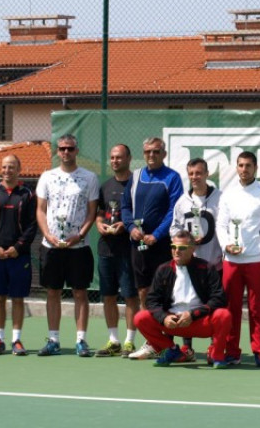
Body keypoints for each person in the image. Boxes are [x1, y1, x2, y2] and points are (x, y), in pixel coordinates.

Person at [35, 134, 99, 357]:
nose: (66, 152)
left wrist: (79, 236)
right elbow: (41, 210)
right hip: (51, 247)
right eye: (62, 148)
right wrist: (48, 235)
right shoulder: (46, 177)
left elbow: (92, 213)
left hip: (78, 248)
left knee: (80, 293)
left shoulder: (89, 178)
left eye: (70, 149)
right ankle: (53, 340)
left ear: (76, 151)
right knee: (53, 292)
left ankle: (81, 340)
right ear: (57, 151)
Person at [132, 231, 232, 368]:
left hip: (199, 322)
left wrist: (193, 315)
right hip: (172, 323)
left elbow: (219, 298)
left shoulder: (207, 268)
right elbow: (152, 300)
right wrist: (164, 318)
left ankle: (217, 355)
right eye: (173, 247)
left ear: (192, 249)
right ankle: (171, 351)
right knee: (140, 318)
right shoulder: (163, 269)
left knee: (223, 315)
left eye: (182, 248)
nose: (176, 251)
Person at [122, 137, 183, 359]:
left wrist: (156, 235)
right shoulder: (136, 176)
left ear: (163, 154)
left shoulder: (172, 177)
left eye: (156, 152)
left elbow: (173, 211)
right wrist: (130, 227)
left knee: (164, 294)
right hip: (137, 244)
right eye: (147, 152)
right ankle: (152, 342)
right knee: (143, 292)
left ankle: (165, 342)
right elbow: (125, 206)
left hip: (161, 245)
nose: (151, 155)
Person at [216, 151, 260, 367]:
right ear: (236, 168)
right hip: (231, 262)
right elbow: (221, 225)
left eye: (248, 166)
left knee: (257, 309)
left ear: (256, 168)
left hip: (257, 260)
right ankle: (232, 351)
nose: (244, 169)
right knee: (230, 309)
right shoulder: (228, 195)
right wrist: (227, 245)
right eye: (241, 165)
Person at [0, 155, 37, 356]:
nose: (7, 170)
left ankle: (16, 340)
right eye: (4, 167)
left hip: (18, 256)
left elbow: (32, 225)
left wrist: (18, 247)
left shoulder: (28, 195)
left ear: (19, 169)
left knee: (18, 298)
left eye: (11, 167)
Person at [169, 157, 223, 362]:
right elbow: (174, 228)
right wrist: (186, 239)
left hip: (214, 263)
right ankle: (187, 349)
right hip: (190, 265)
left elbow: (226, 226)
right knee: (186, 305)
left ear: (207, 174)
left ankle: (214, 348)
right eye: (191, 174)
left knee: (213, 306)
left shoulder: (220, 198)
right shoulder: (183, 201)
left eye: (199, 173)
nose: (195, 177)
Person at [94, 144, 138, 358]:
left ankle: (130, 341)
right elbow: (100, 213)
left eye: (119, 157)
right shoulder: (105, 186)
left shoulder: (137, 184)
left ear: (129, 158)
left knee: (130, 295)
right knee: (108, 296)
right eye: (112, 158)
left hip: (128, 249)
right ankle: (114, 340)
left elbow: (141, 216)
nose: (115, 161)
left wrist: (126, 226)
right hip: (106, 249)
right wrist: (100, 224)